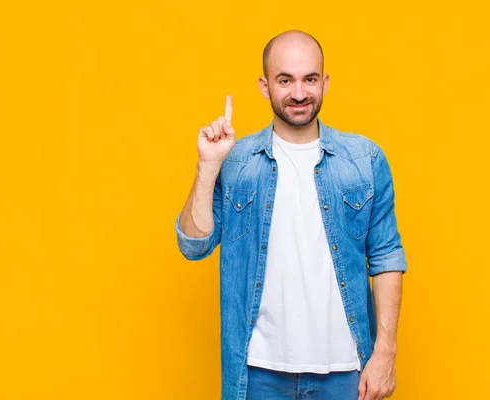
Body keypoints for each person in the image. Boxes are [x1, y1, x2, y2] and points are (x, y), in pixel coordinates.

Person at [174, 30, 407, 400]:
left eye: (309, 79)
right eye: (286, 80)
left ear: (325, 82)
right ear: (265, 86)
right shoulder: (235, 161)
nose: (299, 93)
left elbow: (386, 255)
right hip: (257, 374)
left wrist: (385, 352)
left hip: (346, 372)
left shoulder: (363, 159)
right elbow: (194, 245)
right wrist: (207, 167)